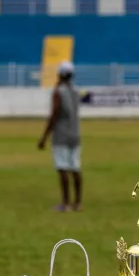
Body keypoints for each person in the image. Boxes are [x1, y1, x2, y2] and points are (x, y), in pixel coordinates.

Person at [38, 61, 81, 212]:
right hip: (75, 133)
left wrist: (44, 136)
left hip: (61, 134)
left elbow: (55, 114)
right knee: (75, 167)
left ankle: (65, 203)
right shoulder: (75, 91)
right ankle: (77, 202)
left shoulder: (58, 92)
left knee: (62, 168)